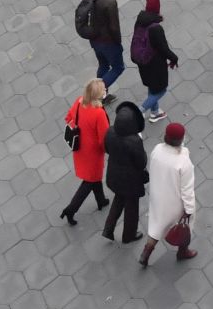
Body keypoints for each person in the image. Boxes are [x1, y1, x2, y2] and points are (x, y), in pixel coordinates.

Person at [139, 122, 197, 266]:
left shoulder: (157, 150)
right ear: (181, 139)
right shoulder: (183, 162)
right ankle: (182, 251)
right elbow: (187, 190)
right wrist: (189, 210)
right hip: (175, 202)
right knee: (185, 226)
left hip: (157, 198)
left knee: (157, 226)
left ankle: (146, 253)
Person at [60, 79, 111, 225]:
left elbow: (68, 118)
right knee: (89, 180)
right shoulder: (99, 113)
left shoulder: (79, 101)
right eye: (103, 90)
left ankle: (101, 200)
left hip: (80, 148)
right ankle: (70, 209)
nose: (105, 91)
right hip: (93, 153)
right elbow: (104, 139)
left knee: (94, 177)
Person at [102, 98, 149, 243]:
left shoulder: (110, 131)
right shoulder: (134, 141)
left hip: (114, 175)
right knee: (132, 207)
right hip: (131, 180)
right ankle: (129, 235)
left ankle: (108, 229)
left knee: (119, 199)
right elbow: (141, 162)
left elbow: (106, 149)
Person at [131, 0, 180, 122]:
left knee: (152, 87)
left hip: (142, 61)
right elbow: (163, 48)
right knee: (161, 90)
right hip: (155, 65)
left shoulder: (140, 20)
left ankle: (155, 112)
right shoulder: (156, 29)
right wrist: (174, 58)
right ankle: (140, 110)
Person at [80, 0, 125, 89]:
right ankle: (96, 94)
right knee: (118, 68)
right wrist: (118, 43)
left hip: (94, 39)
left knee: (104, 65)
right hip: (107, 42)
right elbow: (114, 27)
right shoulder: (110, 1)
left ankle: (102, 96)